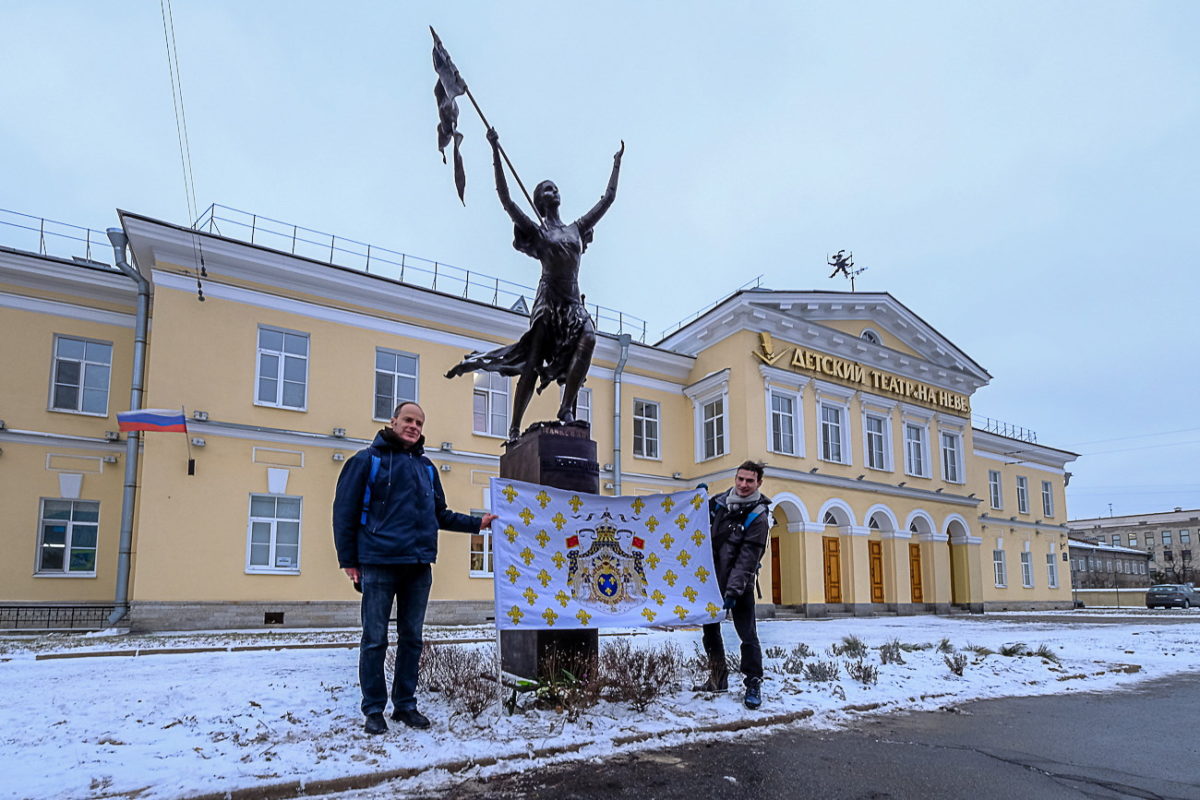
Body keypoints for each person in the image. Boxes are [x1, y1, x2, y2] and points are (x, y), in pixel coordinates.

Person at [445, 127, 624, 440]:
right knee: (531, 361)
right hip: (548, 303)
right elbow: (506, 199)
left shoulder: (577, 229)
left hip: (572, 305)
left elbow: (608, 199)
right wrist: (494, 151)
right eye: (544, 191)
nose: (551, 192)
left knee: (589, 339)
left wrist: (616, 164)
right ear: (539, 202)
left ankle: (566, 408)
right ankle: (514, 427)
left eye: (553, 188)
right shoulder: (538, 234)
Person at [332, 401, 497, 735]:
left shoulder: (427, 469)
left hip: (418, 566)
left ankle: (405, 705)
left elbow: (440, 514)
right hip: (378, 563)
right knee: (375, 639)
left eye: (419, 422)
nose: (414, 426)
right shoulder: (367, 461)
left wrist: (477, 523)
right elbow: (344, 511)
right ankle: (374, 709)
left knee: (412, 639)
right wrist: (349, 560)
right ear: (393, 421)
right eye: (408, 419)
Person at [694, 460, 771, 709]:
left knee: (747, 635)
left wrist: (733, 592)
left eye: (750, 480)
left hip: (740, 586)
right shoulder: (720, 502)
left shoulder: (758, 517)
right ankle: (718, 678)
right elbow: (693, 519)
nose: (743, 485)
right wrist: (696, 501)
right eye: (740, 479)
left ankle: (753, 683)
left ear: (759, 482)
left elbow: (748, 558)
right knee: (710, 632)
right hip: (712, 581)